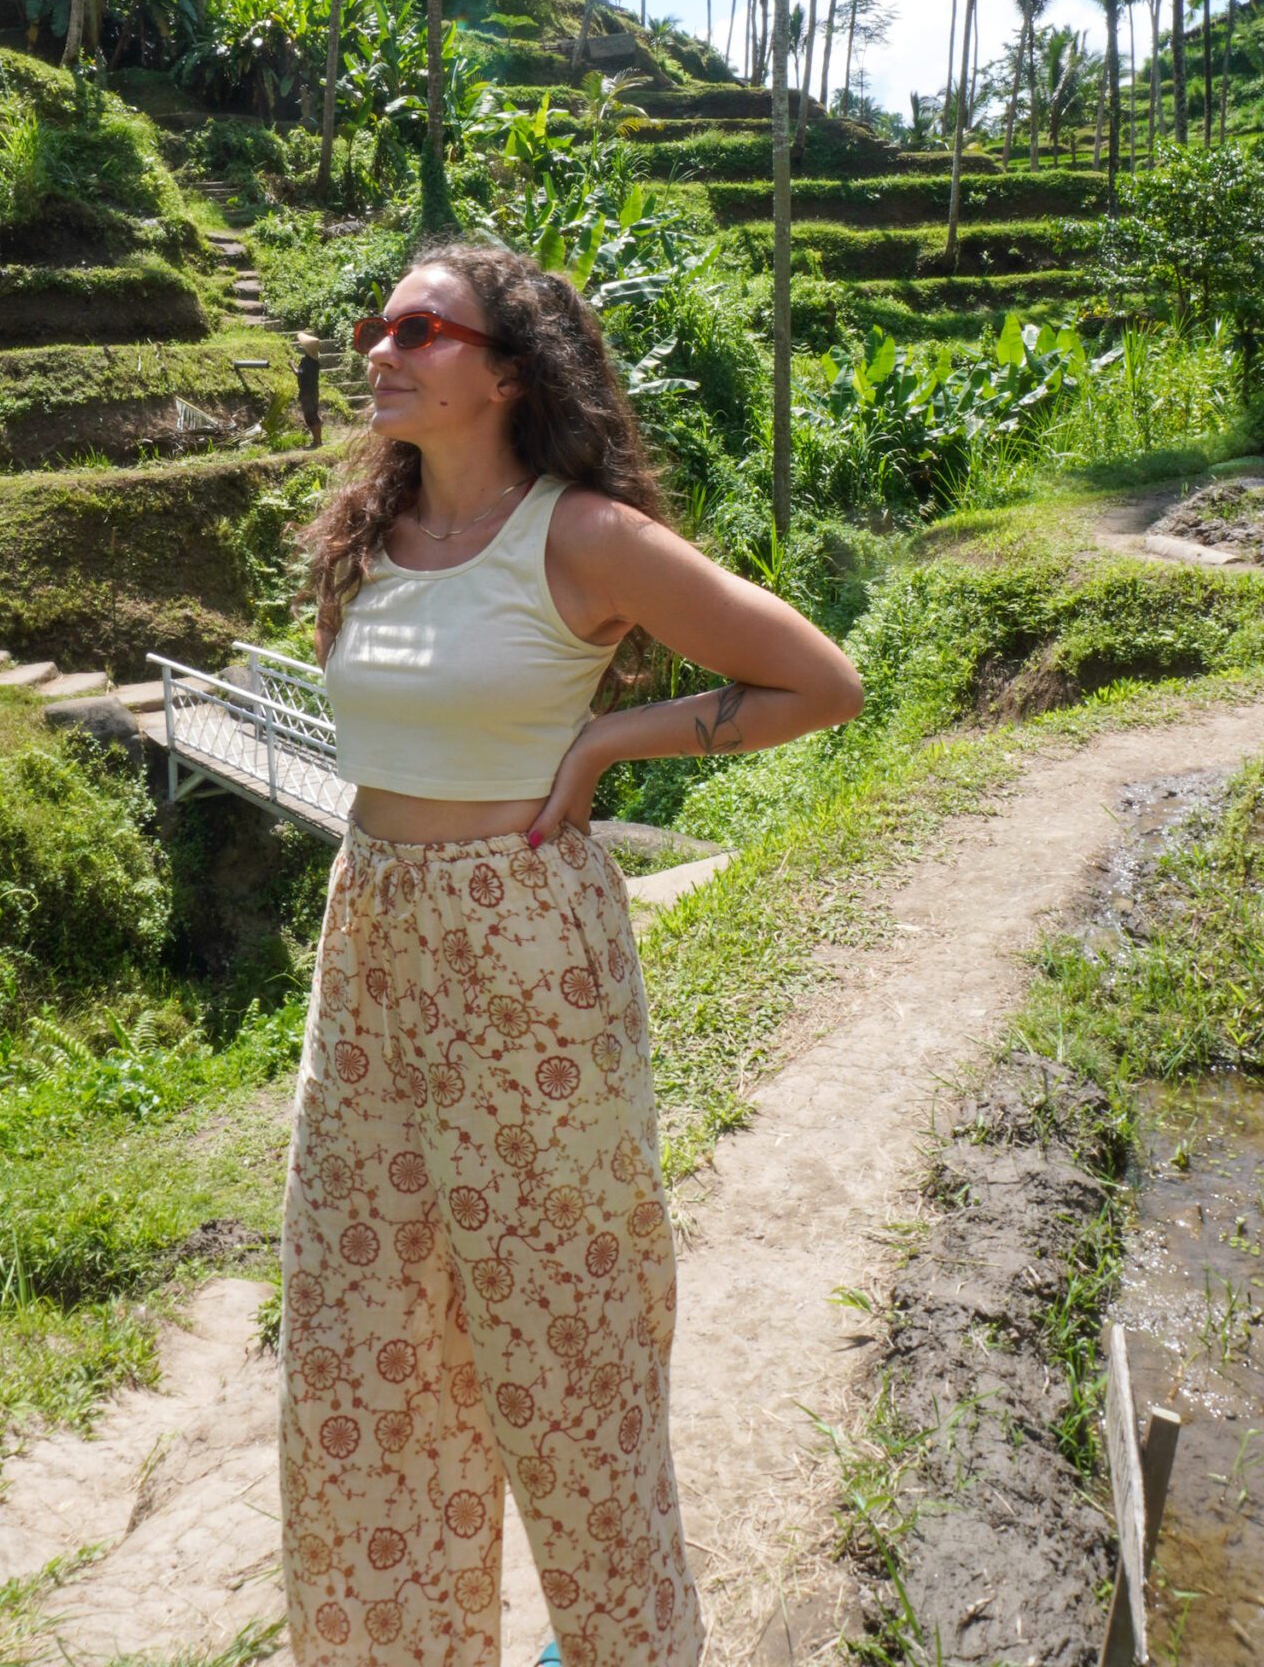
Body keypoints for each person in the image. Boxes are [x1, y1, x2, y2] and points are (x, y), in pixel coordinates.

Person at [279, 240, 863, 1667]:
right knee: (366, 1346)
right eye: (377, 324)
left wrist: (607, 736)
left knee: (564, 1348)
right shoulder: (368, 532)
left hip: (522, 956)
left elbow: (817, 682)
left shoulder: (581, 538)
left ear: (506, 368)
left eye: (421, 327)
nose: (382, 348)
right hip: (371, 956)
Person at [294, 329, 327, 448]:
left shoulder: (307, 363)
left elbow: (299, 373)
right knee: (313, 415)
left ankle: (317, 441)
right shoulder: (314, 362)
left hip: (307, 393)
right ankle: (317, 440)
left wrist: (292, 365)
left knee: (310, 416)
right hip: (313, 392)